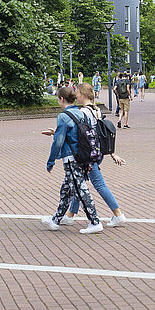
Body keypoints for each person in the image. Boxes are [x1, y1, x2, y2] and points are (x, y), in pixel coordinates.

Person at [39, 86, 102, 234]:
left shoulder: (63, 116)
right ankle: (56, 220)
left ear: (61, 99)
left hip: (70, 158)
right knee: (66, 190)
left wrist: (51, 161)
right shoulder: (82, 113)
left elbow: (58, 141)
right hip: (82, 155)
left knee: (80, 190)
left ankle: (95, 221)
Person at [63, 82, 127, 228]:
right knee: (80, 184)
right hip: (96, 152)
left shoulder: (84, 112)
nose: (76, 96)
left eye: (77, 93)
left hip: (88, 154)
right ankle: (70, 215)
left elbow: (78, 132)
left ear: (82, 94)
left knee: (97, 184)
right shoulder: (96, 110)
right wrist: (112, 153)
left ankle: (118, 214)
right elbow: (100, 134)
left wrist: (58, 132)